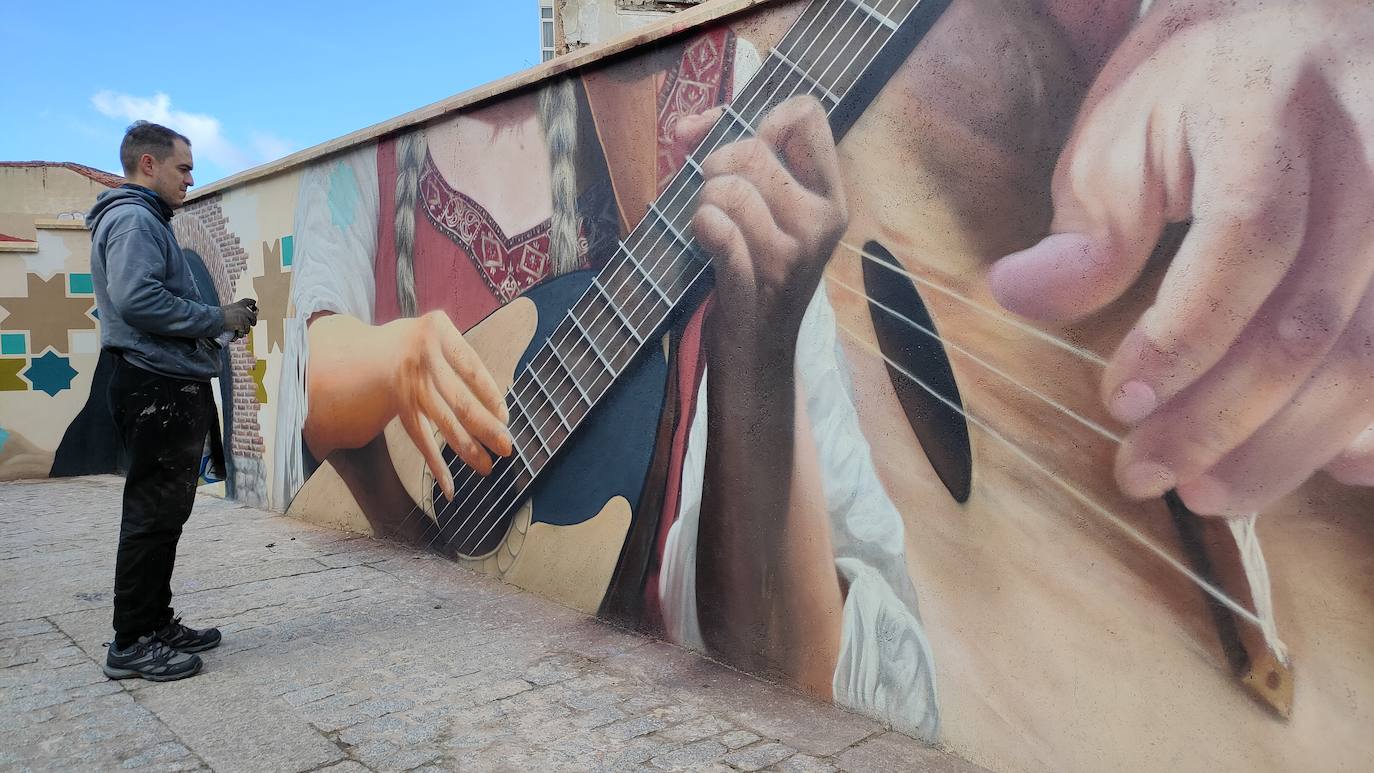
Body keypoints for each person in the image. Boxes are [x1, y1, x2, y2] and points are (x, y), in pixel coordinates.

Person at [88, 121, 259, 681]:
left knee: (164, 514)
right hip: (152, 383)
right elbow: (136, 299)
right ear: (148, 166)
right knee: (151, 515)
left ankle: (153, 624)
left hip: (160, 379)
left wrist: (216, 328)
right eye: (183, 168)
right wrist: (216, 317)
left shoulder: (144, 220)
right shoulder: (135, 218)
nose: (191, 178)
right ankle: (131, 641)